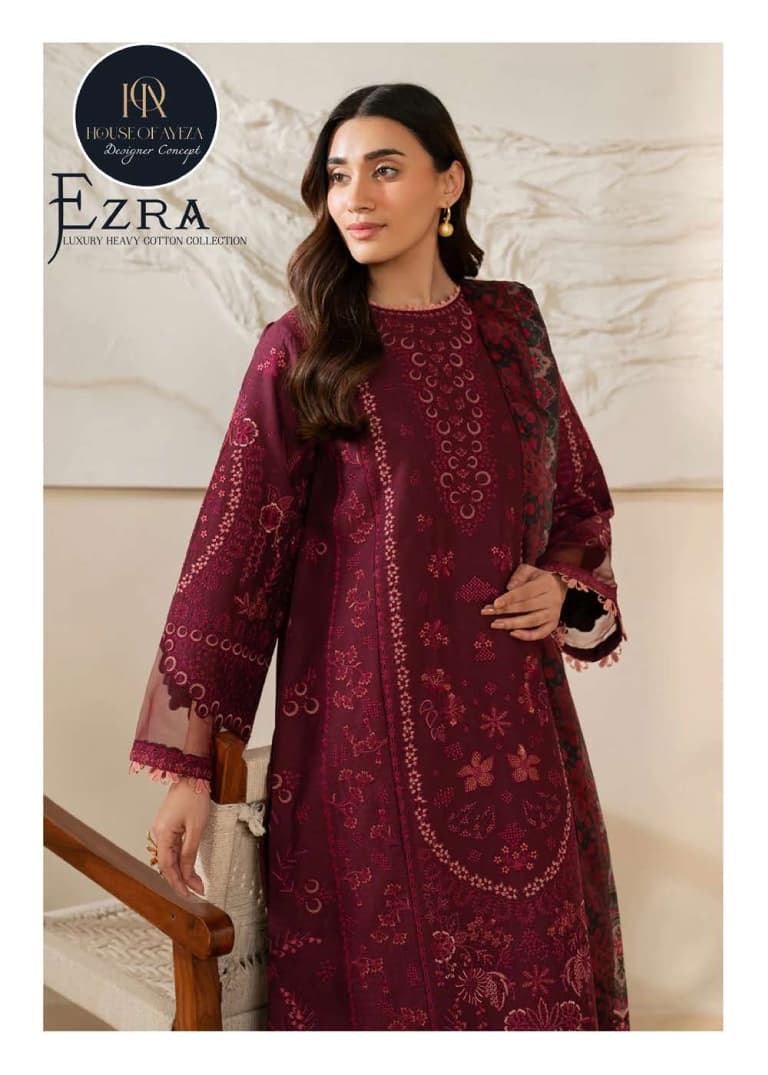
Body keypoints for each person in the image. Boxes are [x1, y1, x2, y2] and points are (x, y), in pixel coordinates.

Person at [129, 82, 630, 1031]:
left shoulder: (510, 327)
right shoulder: (304, 350)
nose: (354, 196)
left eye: (385, 169)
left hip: (523, 744)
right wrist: (192, 772)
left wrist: (563, 586)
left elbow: (578, 502)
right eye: (337, 175)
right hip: (362, 753)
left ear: (450, 183)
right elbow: (233, 560)